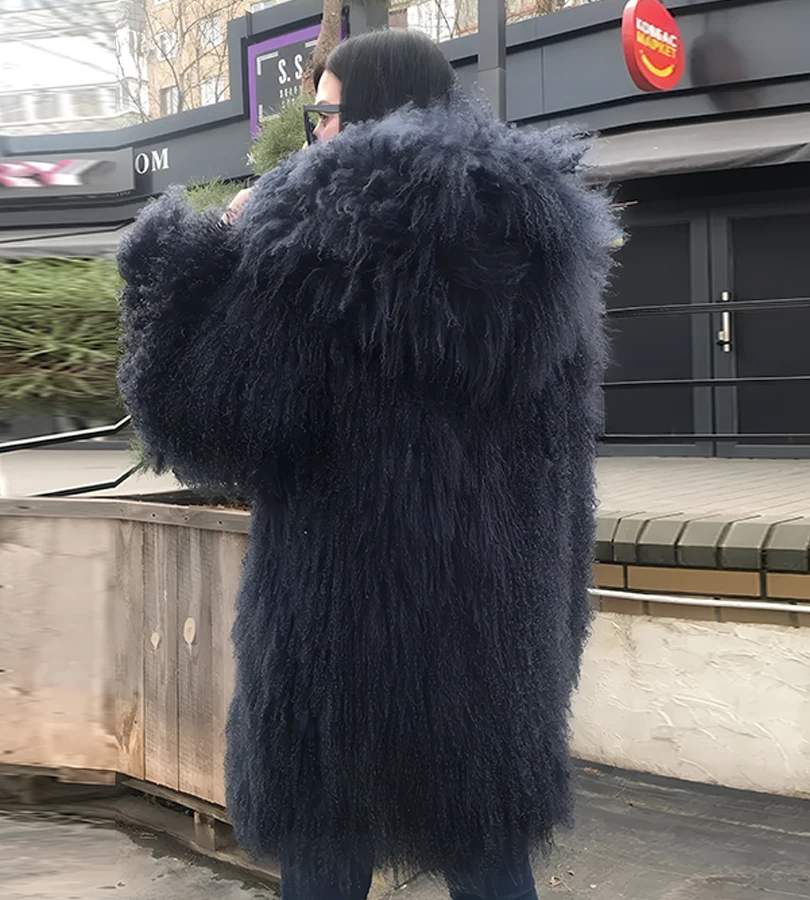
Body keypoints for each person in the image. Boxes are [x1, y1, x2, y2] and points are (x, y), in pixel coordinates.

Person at [117, 28, 615, 900]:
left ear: (375, 114)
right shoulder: (543, 248)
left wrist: (200, 258)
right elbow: (567, 469)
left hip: (341, 633)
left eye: (324, 114)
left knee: (326, 852)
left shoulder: (315, 250)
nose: (314, 132)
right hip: (493, 636)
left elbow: (205, 423)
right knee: (487, 853)